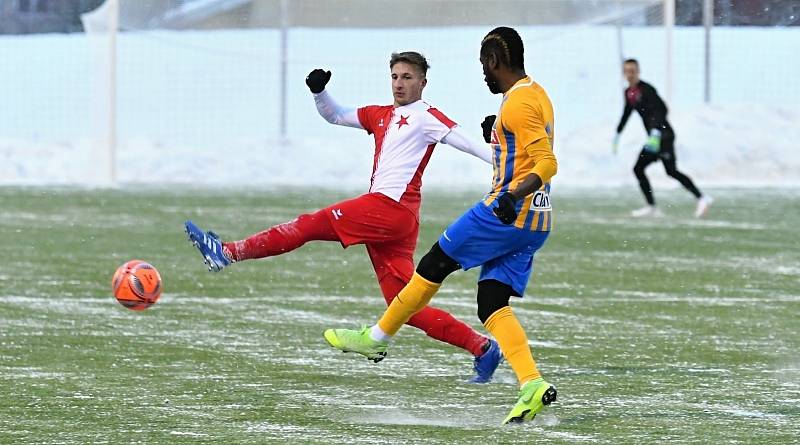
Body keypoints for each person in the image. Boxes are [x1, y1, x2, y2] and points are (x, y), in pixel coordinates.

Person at [184, 51, 504, 383]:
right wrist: (319, 92)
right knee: (404, 306)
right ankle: (482, 348)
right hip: (398, 221)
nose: (399, 84)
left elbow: (470, 145)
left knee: (309, 224)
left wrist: (499, 148)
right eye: (395, 77)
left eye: (407, 78)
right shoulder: (379, 114)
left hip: (389, 208)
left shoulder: (428, 117)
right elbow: (335, 116)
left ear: (423, 82)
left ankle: (227, 252)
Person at [324, 27, 558, 425]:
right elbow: (526, 148)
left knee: (433, 265)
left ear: (493, 62)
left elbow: (547, 163)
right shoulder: (535, 94)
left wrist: (510, 195)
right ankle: (531, 383)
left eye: (483, 67)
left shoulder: (517, 104)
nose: (483, 75)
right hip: (537, 220)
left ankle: (376, 338)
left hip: (506, 212)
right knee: (491, 303)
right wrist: (498, 138)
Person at [614, 58, 712, 218]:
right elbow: (627, 112)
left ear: (638, 71)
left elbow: (662, 109)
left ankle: (702, 198)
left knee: (671, 171)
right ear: (624, 73)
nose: (630, 74)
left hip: (664, 136)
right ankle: (652, 206)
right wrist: (618, 132)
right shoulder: (629, 93)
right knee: (639, 169)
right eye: (627, 71)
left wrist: (655, 131)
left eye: (633, 71)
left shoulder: (647, 89)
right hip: (654, 139)